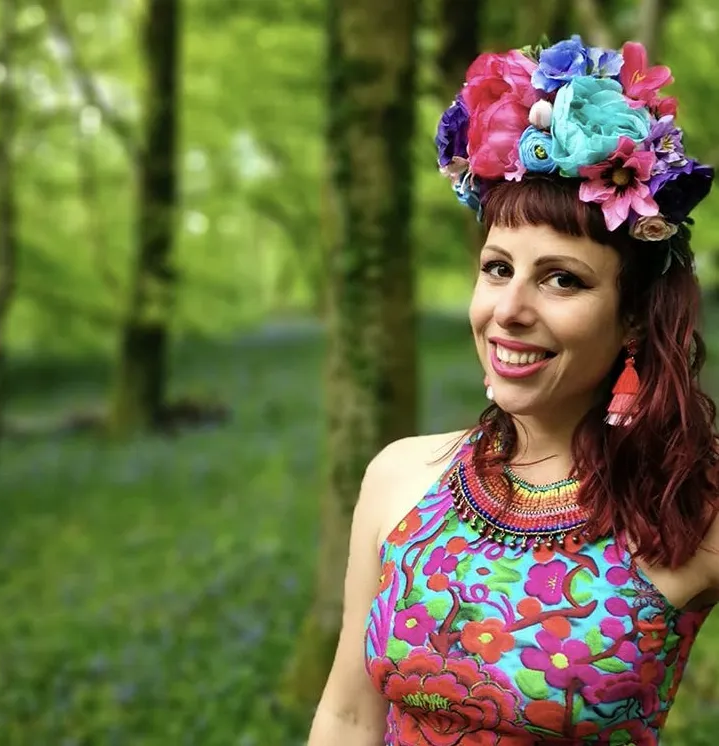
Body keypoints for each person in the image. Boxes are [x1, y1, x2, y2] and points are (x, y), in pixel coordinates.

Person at [307, 35, 719, 745]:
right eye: (497, 269)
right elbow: (346, 715)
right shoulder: (400, 477)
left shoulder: (686, 505)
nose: (509, 310)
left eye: (562, 278)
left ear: (630, 318)